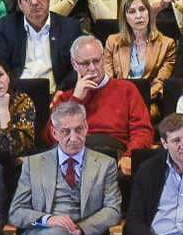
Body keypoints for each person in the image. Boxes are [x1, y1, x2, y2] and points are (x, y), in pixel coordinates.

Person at [7, 99, 123, 235]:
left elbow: (113, 210)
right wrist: (48, 220)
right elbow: (16, 212)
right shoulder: (33, 164)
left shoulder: (105, 164)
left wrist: (81, 228)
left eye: (79, 130)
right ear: (54, 133)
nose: (73, 138)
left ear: (86, 128)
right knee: (59, 234)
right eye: (65, 132)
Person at [49, 36, 155, 177]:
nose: (93, 68)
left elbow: (143, 130)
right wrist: (75, 100)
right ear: (74, 65)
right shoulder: (65, 98)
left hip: (113, 153)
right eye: (85, 64)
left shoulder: (126, 89)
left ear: (104, 58)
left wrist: (130, 155)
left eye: (96, 61)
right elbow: (51, 137)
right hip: (75, 154)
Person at [0, 0, 85, 92]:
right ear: (20, 4)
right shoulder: (7, 26)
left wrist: (62, 93)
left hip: (55, 94)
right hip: (17, 94)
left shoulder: (69, 27)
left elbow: (78, 67)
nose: (34, 2)